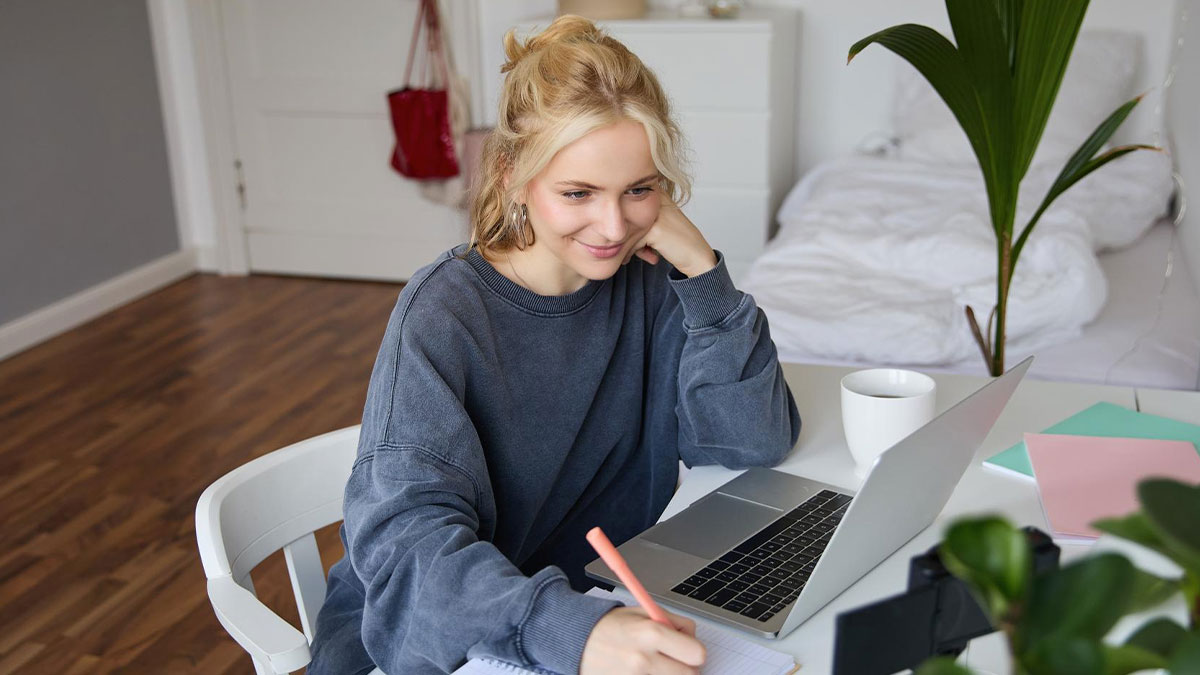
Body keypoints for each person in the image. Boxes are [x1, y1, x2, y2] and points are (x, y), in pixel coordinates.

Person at [308, 14, 801, 675]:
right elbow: (406, 544)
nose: (613, 224)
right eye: (579, 192)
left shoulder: (651, 281)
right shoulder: (446, 312)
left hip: (592, 611)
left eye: (640, 189)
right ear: (514, 175)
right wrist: (569, 629)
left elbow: (751, 441)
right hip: (449, 639)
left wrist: (701, 271)